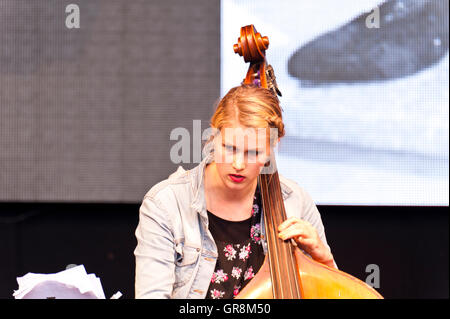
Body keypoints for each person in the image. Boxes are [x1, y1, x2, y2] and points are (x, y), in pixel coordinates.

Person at [134, 84, 336, 299]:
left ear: (275, 144)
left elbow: (335, 294)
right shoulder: (166, 204)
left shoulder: (296, 202)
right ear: (213, 135)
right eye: (229, 148)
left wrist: (323, 259)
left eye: (254, 152)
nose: (238, 164)